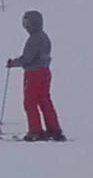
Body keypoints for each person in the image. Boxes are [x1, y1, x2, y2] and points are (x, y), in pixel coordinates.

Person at [6, 11, 66, 141]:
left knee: (30, 101)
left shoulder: (34, 39)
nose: (26, 26)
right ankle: (54, 129)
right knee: (44, 100)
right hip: (45, 72)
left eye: (27, 23)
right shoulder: (44, 37)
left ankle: (35, 131)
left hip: (34, 74)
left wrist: (14, 63)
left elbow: (28, 58)